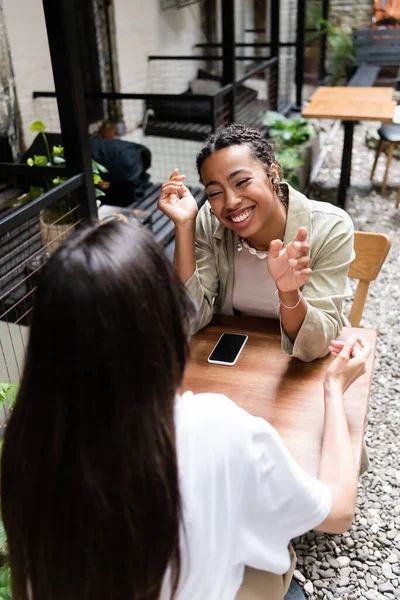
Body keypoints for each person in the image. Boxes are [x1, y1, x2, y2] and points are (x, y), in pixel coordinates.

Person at [0, 220, 370, 600]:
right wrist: (334, 390)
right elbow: (338, 510)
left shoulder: (27, 443)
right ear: (165, 323)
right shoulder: (214, 428)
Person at [158, 123, 355, 362]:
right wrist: (184, 225)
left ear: (273, 174)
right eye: (215, 192)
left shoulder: (330, 228)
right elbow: (189, 319)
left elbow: (316, 345)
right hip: (233, 359)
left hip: (300, 369)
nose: (230, 202)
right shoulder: (210, 221)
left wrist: (288, 291)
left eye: (241, 182)